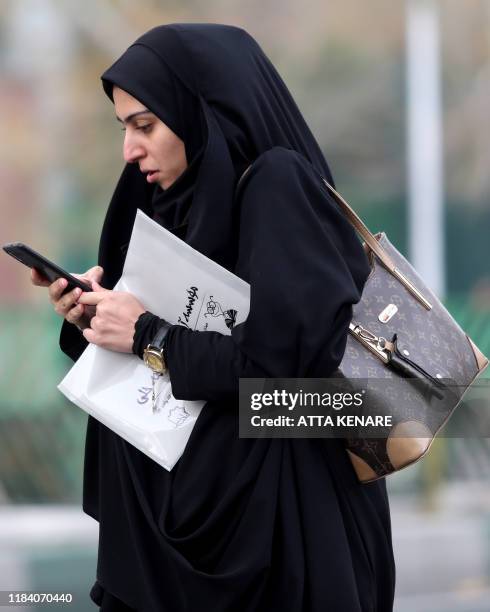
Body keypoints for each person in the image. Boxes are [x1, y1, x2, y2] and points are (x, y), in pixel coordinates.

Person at [31, 24, 395, 612]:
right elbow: (140, 340)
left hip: (277, 528)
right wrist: (92, 318)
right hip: (154, 527)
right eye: (123, 128)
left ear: (200, 110)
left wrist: (148, 334)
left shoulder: (277, 188)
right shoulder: (148, 195)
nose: (130, 149)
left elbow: (283, 372)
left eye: (145, 125)